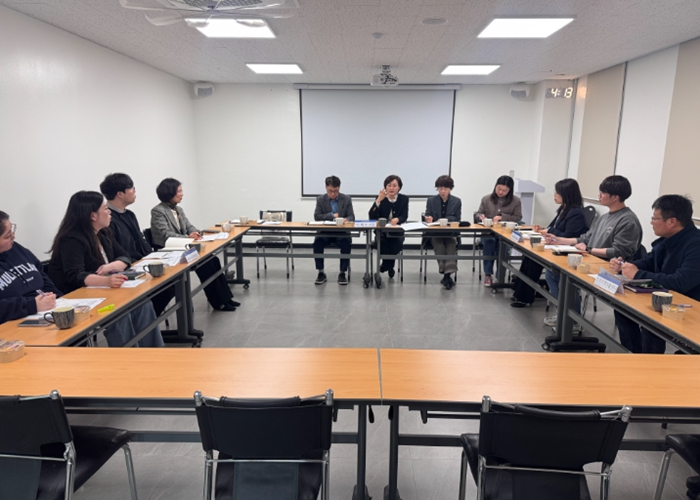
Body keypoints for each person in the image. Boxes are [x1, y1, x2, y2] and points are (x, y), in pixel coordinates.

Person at [47, 191, 164, 347]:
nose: (109, 212)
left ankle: (155, 352)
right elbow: (75, 276)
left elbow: (125, 256)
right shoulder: (72, 239)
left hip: (104, 291)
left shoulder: (103, 233)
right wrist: (106, 281)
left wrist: (112, 266)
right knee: (119, 315)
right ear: (93, 216)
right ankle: (129, 357)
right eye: (105, 209)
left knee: (143, 304)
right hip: (79, 297)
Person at [543, 175, 643, 326]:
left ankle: (572, 322)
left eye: (602, 193)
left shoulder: (628, 220)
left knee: (565, 276)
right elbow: (585, 238)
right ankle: (565, 315)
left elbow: (618, 252)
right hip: (591, 260)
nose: (599, 195)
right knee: (553, 272)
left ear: (615, 197)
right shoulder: (605, 217)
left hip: (608, 267)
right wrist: (558, 239)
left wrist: (589, 250)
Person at [610, 195, 700, 354]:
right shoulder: (667, 239)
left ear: (672, 222)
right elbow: (648, 262)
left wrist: (637, 274)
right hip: (667, 298)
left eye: (654, 218)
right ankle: (634, 356)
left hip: (689, 306)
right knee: (622, 308)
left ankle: (648, 362)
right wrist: (625, 266)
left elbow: (681, 282)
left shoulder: (695, 244)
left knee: (651, 323)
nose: (651, 222)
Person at [150, 178, 239, 311]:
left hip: (184, 248)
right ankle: (219, 302)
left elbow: (188, 226)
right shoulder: (158, 211)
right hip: (171, 251)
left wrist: (197, 233)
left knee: (213, 260)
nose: (182, 194)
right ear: (169, 192)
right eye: (179, 191)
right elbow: (165, 234)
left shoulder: (179, 209)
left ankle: (225, 299)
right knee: (206, 264)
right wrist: (187, 237)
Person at [100, 173, 174, 316]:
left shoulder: (130, 214)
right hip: (127, 268)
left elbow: (141, 241)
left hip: (141, 263)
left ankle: (148, 321)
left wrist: (154, 258)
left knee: (174, 281)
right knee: (166, 288)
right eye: (132, 188)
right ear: (120, 194)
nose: (135, 191)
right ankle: (145, 322)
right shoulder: (108, 220)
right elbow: (116, 253)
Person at [511, 179, 588, 307]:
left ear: (566, 194)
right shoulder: (563, 209)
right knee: (530, 256)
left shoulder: (576, 213)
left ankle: (524, 297)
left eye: (557, 192)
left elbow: (569, 236)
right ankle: (519, 292)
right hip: (554, 245)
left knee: (534, 260)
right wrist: (541, 229)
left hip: (566, 251)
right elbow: (552, 228)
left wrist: (549, 231)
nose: (554, 195)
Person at [0, 212, 61, 324]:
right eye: (7, 236)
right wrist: (32, 305)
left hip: (46, 312)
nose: (13, 236)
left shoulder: (15, 248)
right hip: (15, 323)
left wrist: (57, 297)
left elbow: (40, 272)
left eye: (12, 230)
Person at [477, 175, 522, 286]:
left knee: (503, 246)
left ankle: (500, 276)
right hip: (488, 233)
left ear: (510, 190)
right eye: (499, 189)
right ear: (495, 186)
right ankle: (488, 274)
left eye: (504, 190)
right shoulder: (486, 199)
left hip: (505, 233)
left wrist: (502, 217)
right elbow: (478, 213)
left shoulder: (516, 201)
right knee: (489, 243)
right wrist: (480, 216)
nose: (501, 192)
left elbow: (518, 217)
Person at [313, 175, 355, 285]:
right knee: (317, 242)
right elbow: (317, 216)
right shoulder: (320, 199)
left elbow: (351, 216)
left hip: (341, 232)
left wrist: (347, 219)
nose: (333, 194)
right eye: (330, 191)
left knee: (346, 243)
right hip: (325, 232)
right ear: (326, 187)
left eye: (335, 191)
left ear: (339, 188)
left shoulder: (346, 199)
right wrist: (332, 215)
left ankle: (342, 273)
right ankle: (321, 272)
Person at [424, 175, 462, 290]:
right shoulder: (431, 200)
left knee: (451, 244)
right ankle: (446, 275)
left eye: (445, 188)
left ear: (450, 188)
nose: (443, 191)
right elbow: (428, 214)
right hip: (435, 233)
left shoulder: (456, 201)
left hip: (450, 233)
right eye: (440, 188)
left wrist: (443, 220)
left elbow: (457, 218)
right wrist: (429, 218)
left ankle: (446, 275)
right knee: (439, 245)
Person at [369, 175, 409, 279]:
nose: (391, 188)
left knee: (396, 244)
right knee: (382, 243)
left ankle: (385, 266)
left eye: (394, 186)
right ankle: (389, 266)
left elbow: (404, 216)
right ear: (385, 187)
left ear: (399, 187)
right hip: (381, 233)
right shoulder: (380, 198)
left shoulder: (404, 199)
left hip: (397, 233)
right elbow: (371, 216)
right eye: (389, 185)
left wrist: (398, 219)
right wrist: (378, 200)